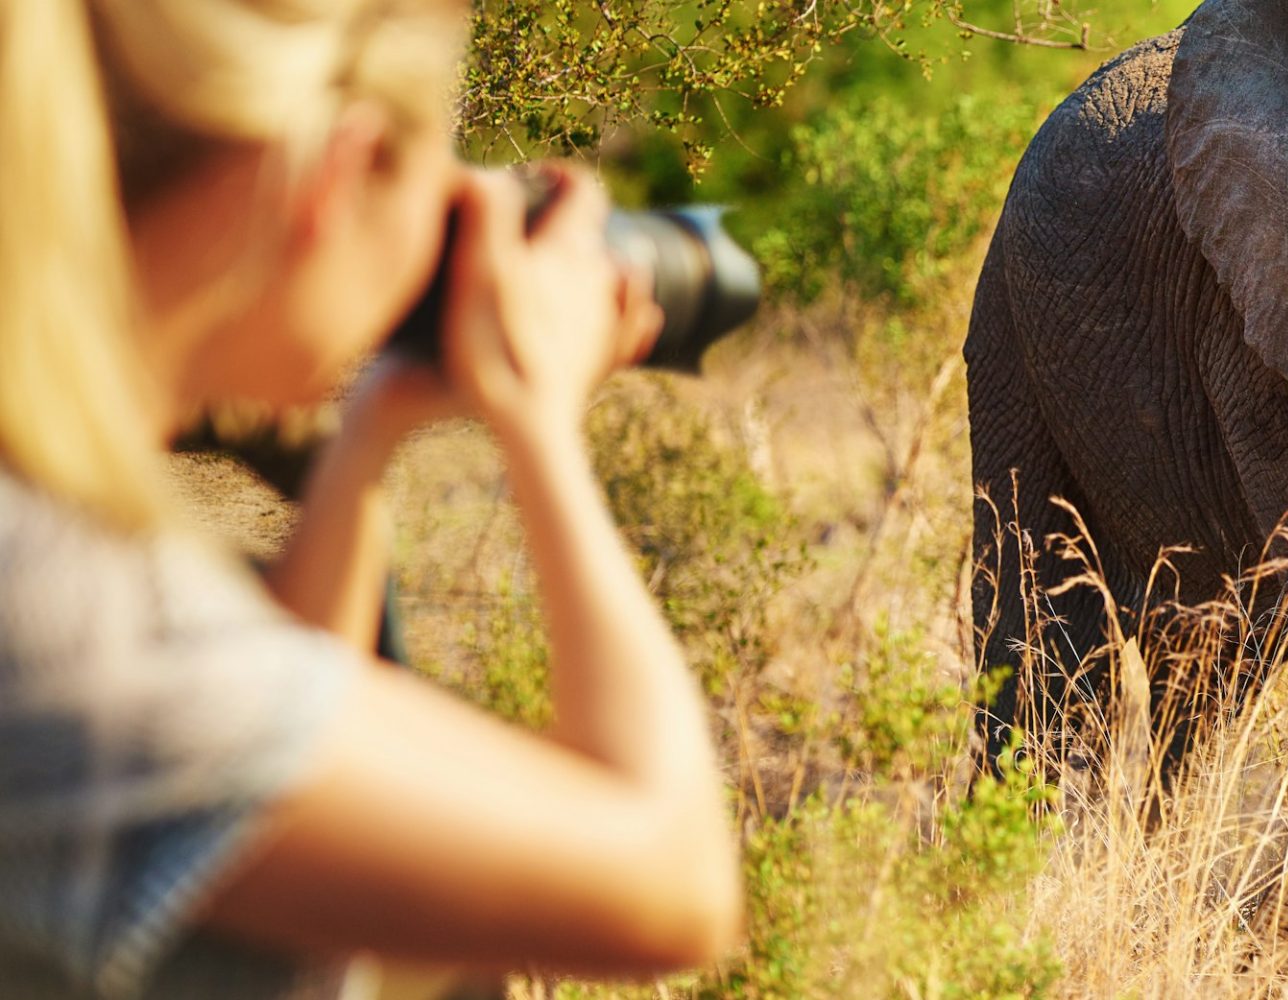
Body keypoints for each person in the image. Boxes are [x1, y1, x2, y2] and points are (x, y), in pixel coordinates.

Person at [0, 1, 743, 997]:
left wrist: (369, 435)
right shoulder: (63, 617)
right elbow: (674, 880)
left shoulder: (48, 553)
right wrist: (539, 421)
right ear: (332, 175)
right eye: (442, 175)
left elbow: (269, 727)